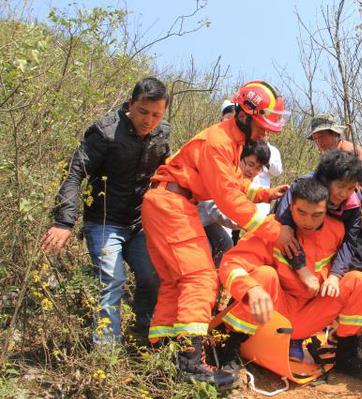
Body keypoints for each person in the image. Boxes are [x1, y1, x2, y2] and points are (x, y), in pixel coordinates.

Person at [141, 80, 292, 387]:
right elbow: (228, 198)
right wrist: (274, 231)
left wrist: (265, 195)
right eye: (262, 126)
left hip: (170, 202)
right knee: (201, 277)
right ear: (245, 114)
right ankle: (191, 364)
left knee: (176, 282)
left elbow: (234, 183)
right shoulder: (218, 142)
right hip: (172, 203)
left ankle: (163, 354)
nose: (265, 134)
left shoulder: (231, 141)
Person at [40, 77, 170, 345]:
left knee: (152, 276)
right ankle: (106, 351)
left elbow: (166, 173)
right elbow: (74, 173)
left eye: (156, 115)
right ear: (130, 104)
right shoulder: (105, 133)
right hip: (103, 222)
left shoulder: (161, 133)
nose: (149, 121)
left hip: (138, 223)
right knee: (113, 280)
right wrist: (64, 222)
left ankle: (142, 334)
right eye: (143, 112)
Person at [218, 177, 362, 380]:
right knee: (265, 276)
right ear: (290, 206)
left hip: (310, 315)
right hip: (272, 315)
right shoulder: (272, 230)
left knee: (359, 280)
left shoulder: (336, 231)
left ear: (326, 210)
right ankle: (231, 349)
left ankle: (346, 355)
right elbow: (230, 264)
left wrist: (334, 278)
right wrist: (251, 289)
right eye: (301, 212)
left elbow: (348, 264)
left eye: (317, 215)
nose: (308, 221)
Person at [306, 113, 362, 269]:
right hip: (358, 214)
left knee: (355, 266)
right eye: (316, 139)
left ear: (334, 134)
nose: (319, 143)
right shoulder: (337, 153)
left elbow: (341, 191)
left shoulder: (346, 153)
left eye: (322, 137)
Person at [275, 150, 362, 290]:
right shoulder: (302, 187)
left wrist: (335, 275)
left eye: (350, 188)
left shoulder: (353, 206)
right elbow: (281, 223)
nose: (344, 194)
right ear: (326, 180)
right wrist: (285, 226)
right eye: (340, 186)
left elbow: (349, 242)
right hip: (285, 264)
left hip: (319, 268)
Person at [199, 140, 271, 267]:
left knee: (226, 244)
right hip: (193, 215)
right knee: (204, 251)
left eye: (258, 168)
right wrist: (247, 223)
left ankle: (216, 280)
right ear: (239, 157)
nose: (252, 171)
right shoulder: (224, 170)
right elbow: (214, 208)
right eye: (250, 164)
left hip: (208, 220)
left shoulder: (244, 182)